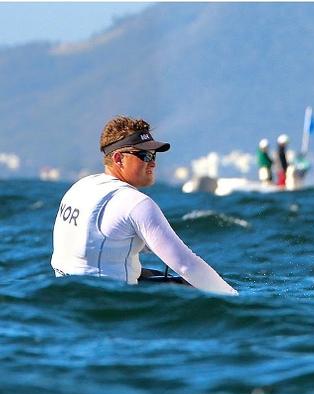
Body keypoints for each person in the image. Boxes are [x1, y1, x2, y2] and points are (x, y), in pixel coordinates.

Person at [51, 115, 237, 296]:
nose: (153, 163)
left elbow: (103, 239)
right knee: (192, 284)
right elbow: (186, 265)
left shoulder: (80, 187)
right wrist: (234, 298)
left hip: (66, 296)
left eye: (154, 155)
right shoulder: (136, 203)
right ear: (118, 158)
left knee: (146, 272)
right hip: (108, 304)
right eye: (145, 155)